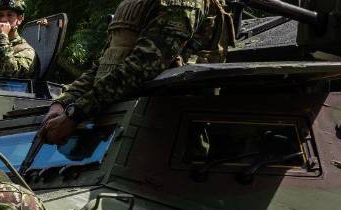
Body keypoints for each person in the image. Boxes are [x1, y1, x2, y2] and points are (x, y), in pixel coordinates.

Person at [39, 0, 232, 145]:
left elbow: (143, 66)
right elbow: (106, 63)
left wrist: (76, 113)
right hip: (114, 125)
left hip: (159, 136)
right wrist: (63, 102)